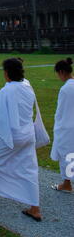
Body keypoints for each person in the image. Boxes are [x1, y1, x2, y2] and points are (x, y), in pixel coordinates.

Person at [0, 58, 42, 222]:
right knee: (29, 169)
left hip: (11, 135)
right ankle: (35, 208)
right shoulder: (27, 86)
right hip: (28, 134)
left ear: (7, 73)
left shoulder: (7, 91)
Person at [51, 58, 74, 193]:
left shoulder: (65, 89)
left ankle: (66, 183)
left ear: (61, 72)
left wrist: (58, 127)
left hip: (67, 127)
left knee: (67, 155)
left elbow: (61, 112)